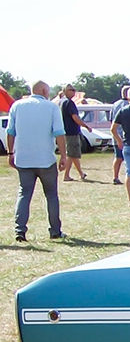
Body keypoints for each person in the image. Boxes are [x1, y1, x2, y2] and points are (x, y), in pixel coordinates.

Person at [9, 80, 67, 241]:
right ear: (43, 90)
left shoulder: (17, 106)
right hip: (46, 159)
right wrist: (63, 155)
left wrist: (10, 153)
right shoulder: (51, 107)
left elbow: (10, 131)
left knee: (24, 194)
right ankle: (55, 230)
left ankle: (19, 230)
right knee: (51, 195)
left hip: (24, 158)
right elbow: (59, 133)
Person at [57, 84, 92, 182]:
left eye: (74, 90)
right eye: (71, 90)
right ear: (65, 91)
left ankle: (81, 173)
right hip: (71, 132)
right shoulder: (69, 103)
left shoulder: (61, 102)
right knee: (72, 154)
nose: (73, 91)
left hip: (65, 131)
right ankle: (66, 175)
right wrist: (86, 126)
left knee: (74, 154)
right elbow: (75, 117)